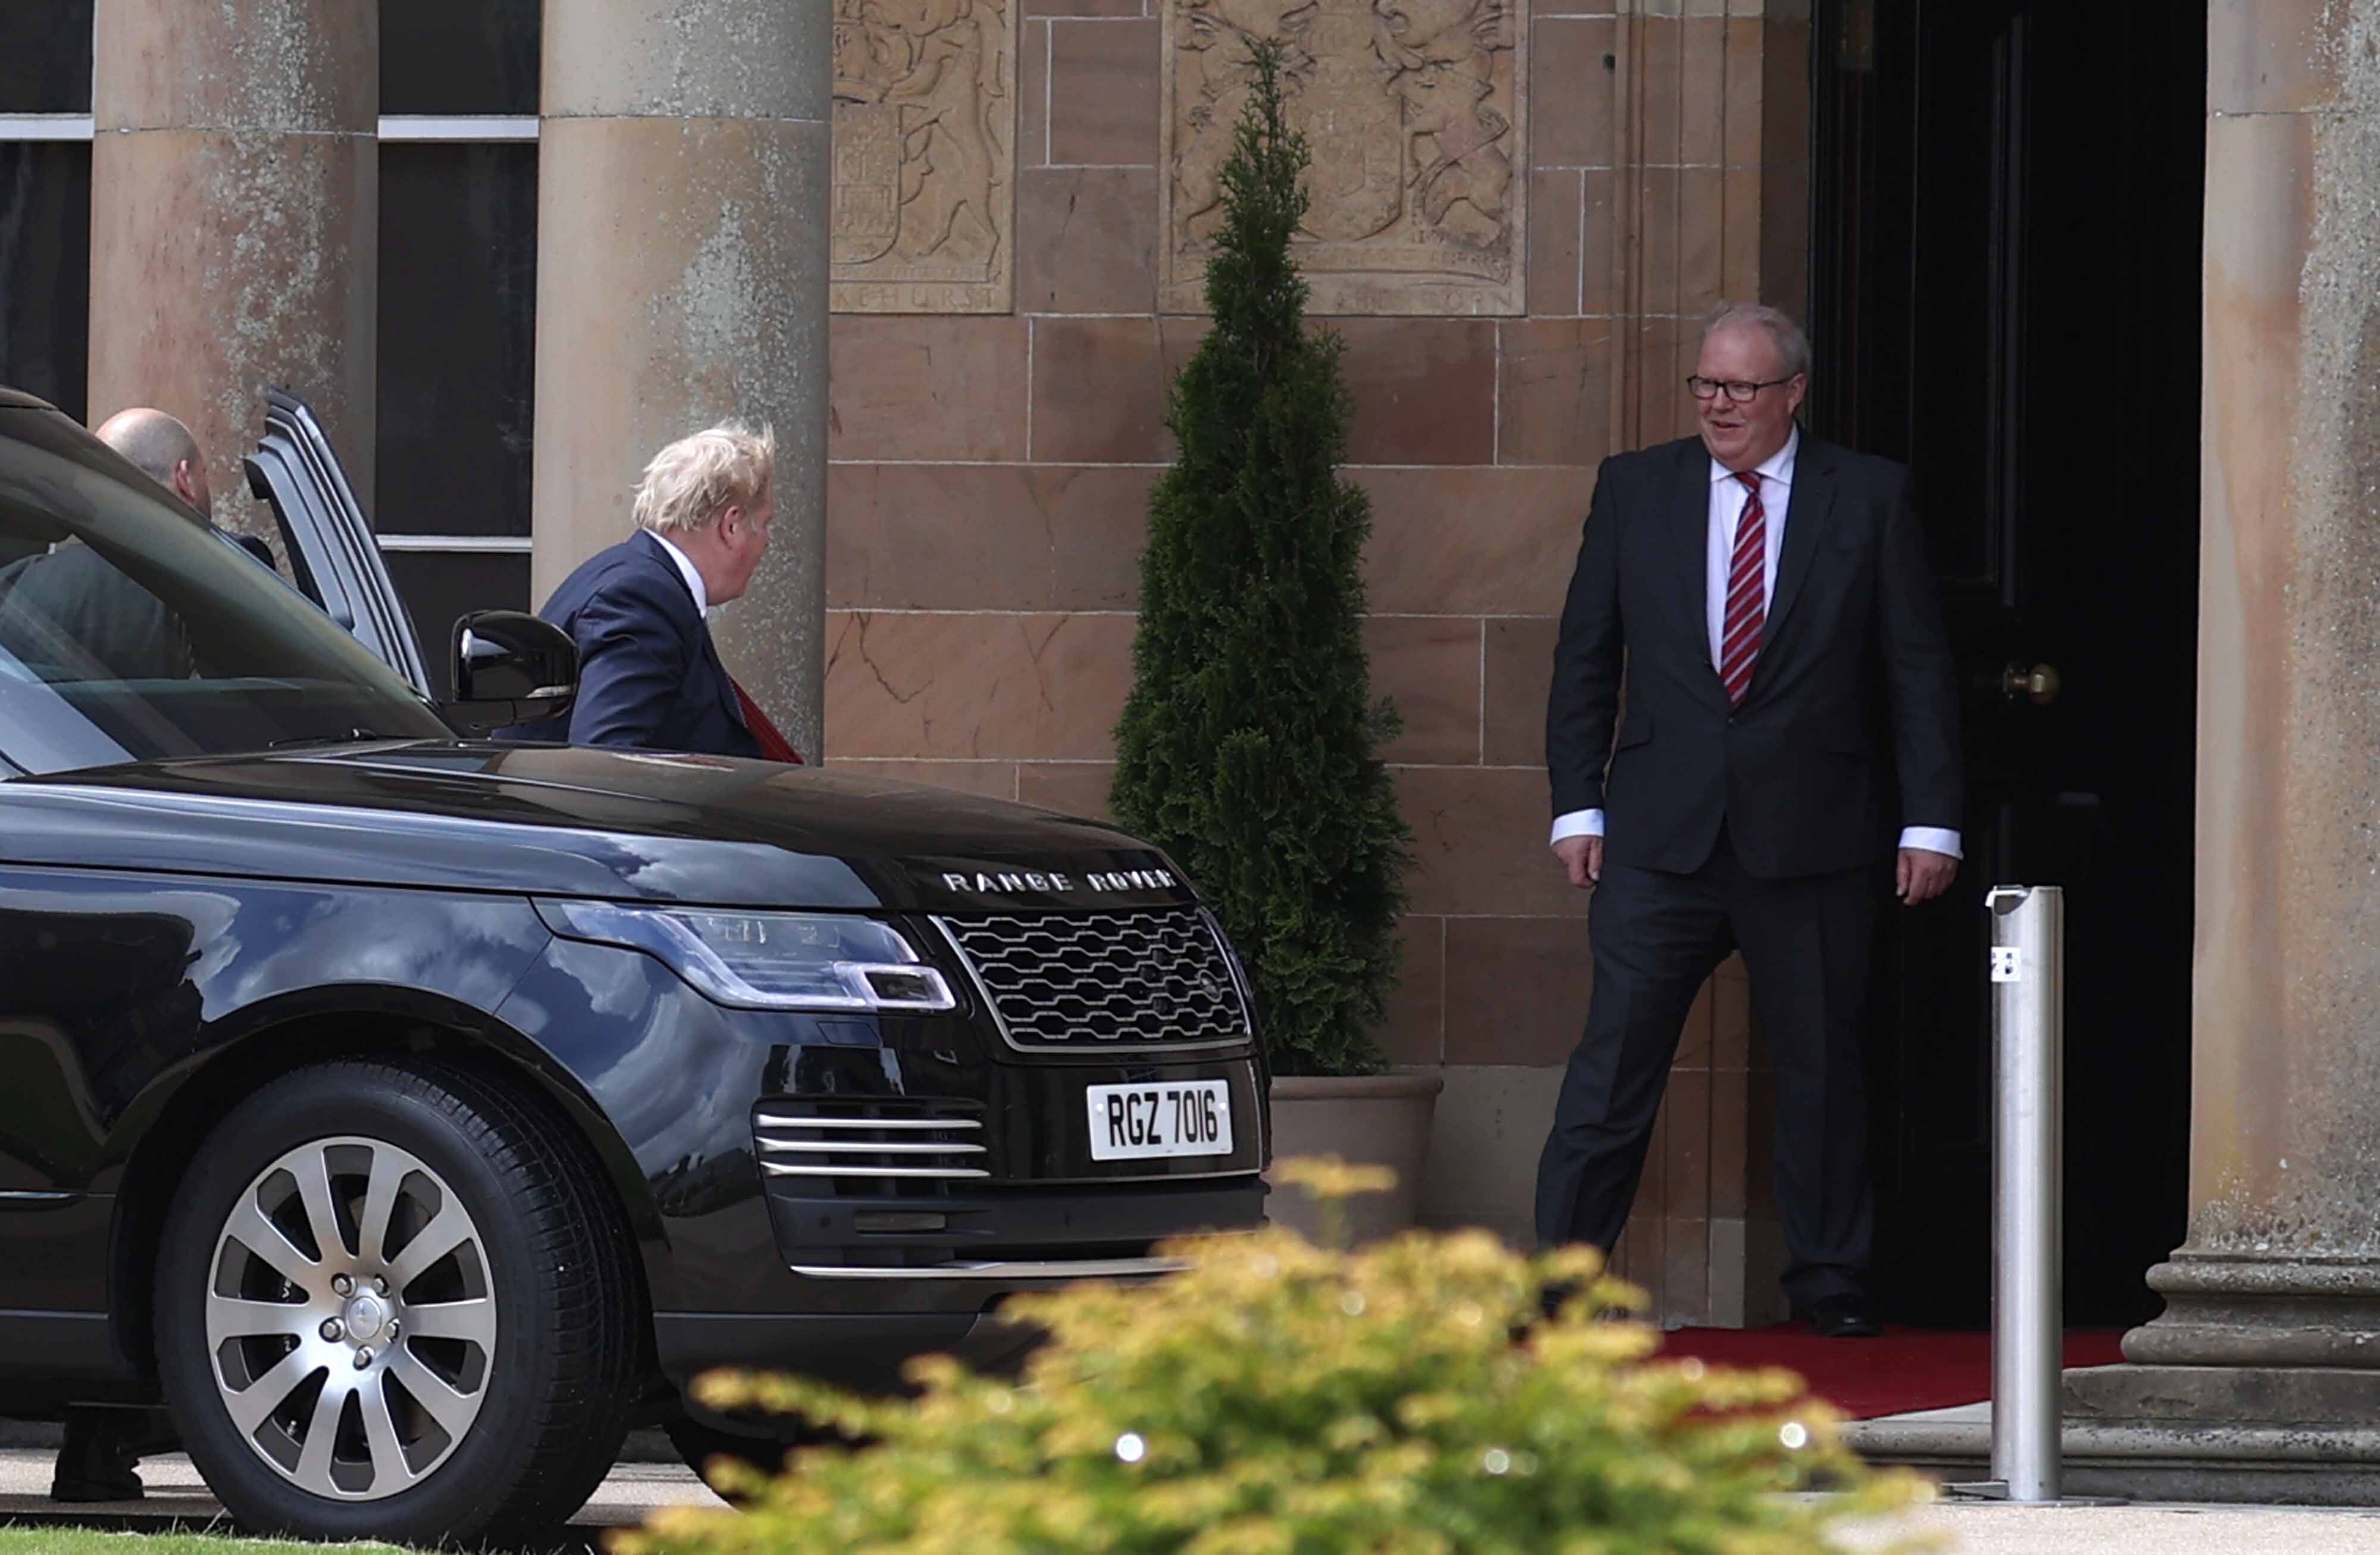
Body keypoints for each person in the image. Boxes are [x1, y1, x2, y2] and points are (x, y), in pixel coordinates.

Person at [1536, 302, 1962, 1339]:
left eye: (1740, 389)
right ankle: (1558, 1288)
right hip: (1658, 838)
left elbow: (1914, 669)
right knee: (1610, 1069)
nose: (1718, 407)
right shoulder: (1636, 488)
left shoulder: (1865, 495)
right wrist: (1576, 803)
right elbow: (1586, 656)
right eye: (1705, 387)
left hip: (1813, 832)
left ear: (1793, 392)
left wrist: (1932, 821)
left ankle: (1828, 1285)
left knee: (1821, 1073)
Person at [511, 421, 800, 761]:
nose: (766, 541)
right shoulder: (641, 600)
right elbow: (605, 763)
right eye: (765, 524)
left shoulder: (638, 578)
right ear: (732, 525)